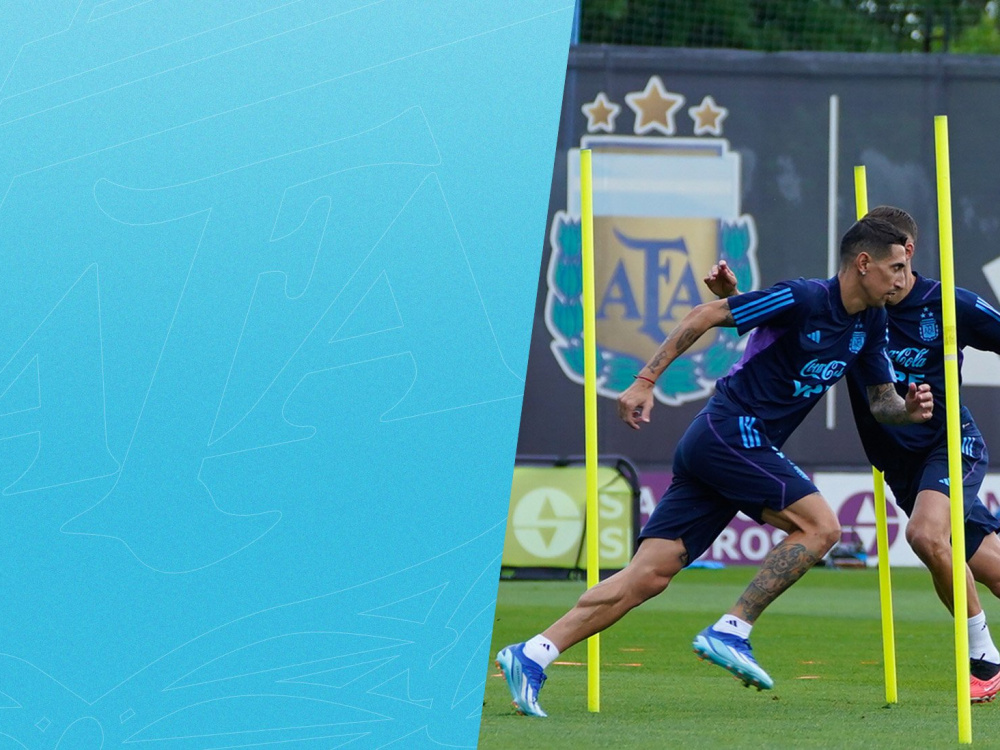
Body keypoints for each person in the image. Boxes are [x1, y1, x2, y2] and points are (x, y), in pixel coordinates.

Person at [495, 216, 933, 717]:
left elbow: (881, 402)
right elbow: (705, 314)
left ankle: (532, 653)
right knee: (822, 527)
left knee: (648, 575)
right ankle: (732, 630)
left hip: (731, 448)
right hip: (729, 431)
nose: (904, 279)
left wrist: (907, 410)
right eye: (896, 268)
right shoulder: (804, 297)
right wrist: (644, 381)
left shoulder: (871, 322)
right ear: (864, 263)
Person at [706, 205, 1000, 703]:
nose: (895, 274)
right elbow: (788, 332)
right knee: (987, 566)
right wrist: (732, 299)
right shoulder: (852, 310)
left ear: (908, 252)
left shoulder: (948, 304)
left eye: (901, 261)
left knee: (925, 535)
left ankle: (985, 661)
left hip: (949, 445)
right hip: (901, 466)